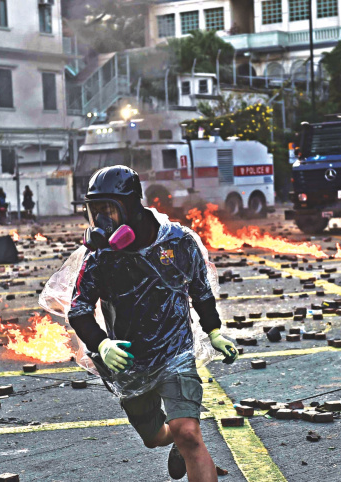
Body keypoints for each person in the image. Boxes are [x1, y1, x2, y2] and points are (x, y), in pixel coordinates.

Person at [68, 166, 236, 481]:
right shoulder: (100, 257)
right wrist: (102, 344)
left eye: (109, 210)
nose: (102, 220)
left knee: (188, 433)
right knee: (155, 437)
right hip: (130, 362)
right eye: (95, 211)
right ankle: (175, 440)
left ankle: (184, 439)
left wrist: (214, 331)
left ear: (131, 206)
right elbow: (78, 310)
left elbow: (200, 291)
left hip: (175, 353)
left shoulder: (178, 242)